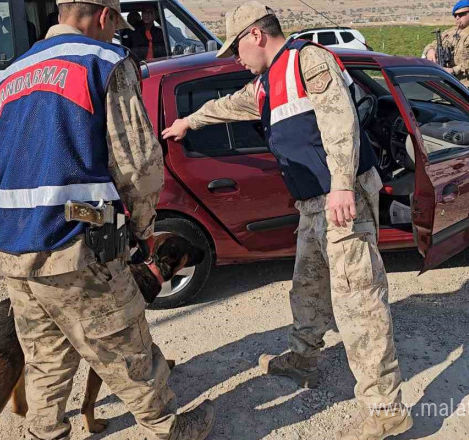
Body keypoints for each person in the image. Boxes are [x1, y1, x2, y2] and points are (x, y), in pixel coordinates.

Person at [161, 2, 412, 439]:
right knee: (309, 285)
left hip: (339, 198)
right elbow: (229, 105)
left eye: (237, 48)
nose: (235, 59)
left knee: (359, 302)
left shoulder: (307, 61)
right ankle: (303, 358)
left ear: (257, 35)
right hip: (312, 203)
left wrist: (340, 186)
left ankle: (385, 407)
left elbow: (341, 123)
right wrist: (188, 121)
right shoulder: (265, 84)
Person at [0, 0, 215, 438]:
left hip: (13, 242)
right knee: (125, 343)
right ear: (105, 16)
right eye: (116, 25)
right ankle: (168, 428)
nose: (115, 34)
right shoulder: (104, 62)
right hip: (75, 241)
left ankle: (45, 431)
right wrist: (144, 230)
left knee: (44, 354)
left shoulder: (10, 75)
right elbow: (139, 163)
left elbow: (7, 159)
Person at [423, 0, 469, 90]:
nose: (457, 18)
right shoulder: (450, 32)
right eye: (455, 15)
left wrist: (453, 70)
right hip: (443, 81)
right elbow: (432, 44)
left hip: (462, 83)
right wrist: (430, 51)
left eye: (461, 15)